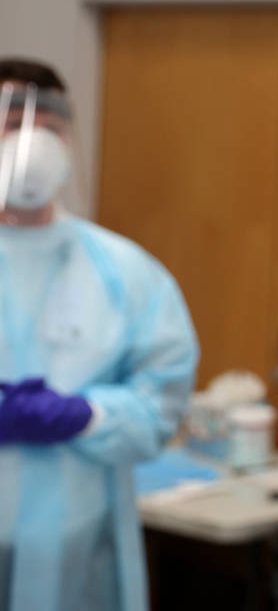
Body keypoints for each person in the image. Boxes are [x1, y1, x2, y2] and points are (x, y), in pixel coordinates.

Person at [0, 58, 199, 610]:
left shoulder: (124, 273)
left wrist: (85, 415)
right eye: (14, 123)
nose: (32, 143)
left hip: (77, 562)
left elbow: (161, 405)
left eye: (51, 127)